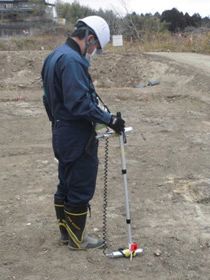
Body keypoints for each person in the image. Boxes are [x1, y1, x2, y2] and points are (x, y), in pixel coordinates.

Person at [41, 16, 125, 250]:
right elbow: (79, 103)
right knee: (80, 185)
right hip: (76, 134)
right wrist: (110, 120)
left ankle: (67, 235)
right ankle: (78, 240)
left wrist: (58, 123)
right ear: (89, 38)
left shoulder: (53, 56)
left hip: (60, 130)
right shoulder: (72, 61)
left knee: (65, 183)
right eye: (96, 46)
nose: (94, 51)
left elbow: (47, 97)